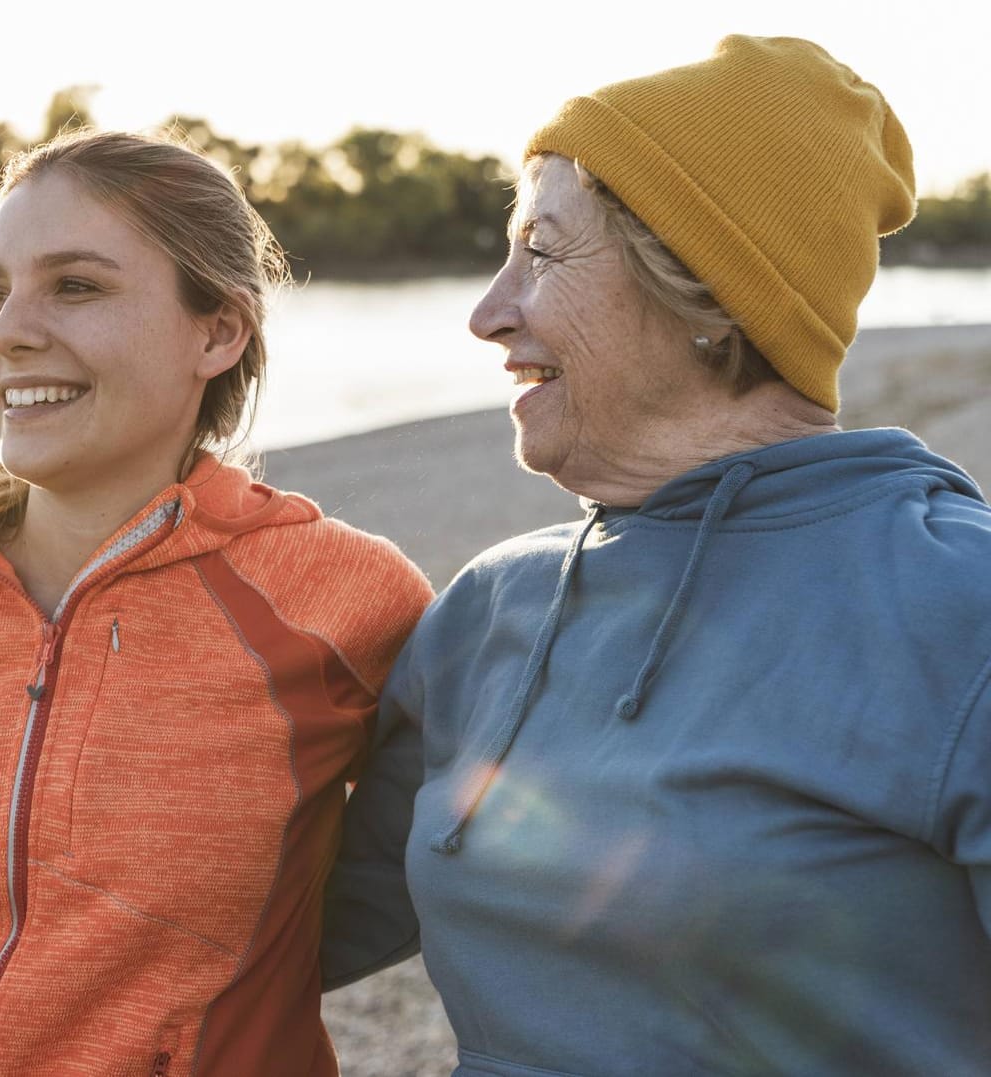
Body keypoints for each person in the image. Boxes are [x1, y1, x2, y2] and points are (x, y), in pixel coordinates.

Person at [0, 129, 433, 1076]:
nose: (8, 331)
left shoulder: (345, 600)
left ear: (217, 332)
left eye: (76, 286)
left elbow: (468, 865)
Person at [363, 35, 991, 1076]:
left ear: (704, 292)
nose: (488, 313)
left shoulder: (957, 613)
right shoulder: (486, 610)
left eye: (543, 251)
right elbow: (268, 932)